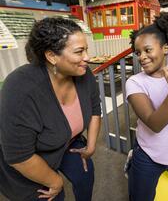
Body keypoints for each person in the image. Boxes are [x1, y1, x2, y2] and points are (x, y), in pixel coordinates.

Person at [0, 17, 101, 201]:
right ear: (52, 56)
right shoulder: (21, 88)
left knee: (85, 174)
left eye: (86, 49)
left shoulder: (84, 75)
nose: (87, 57)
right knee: (54, 195)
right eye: (79, 51)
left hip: (65, 143)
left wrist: (91, 146)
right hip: (26, 162)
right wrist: (55, 181)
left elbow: (95, 110)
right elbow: (19, 156)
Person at [125, 12, 168, 201]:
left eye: (148, 50)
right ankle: (133, 160)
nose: (142, 57)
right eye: (138, 53)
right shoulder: (135, 82)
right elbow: (154, 123)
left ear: (165, 48)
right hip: (148, 155)